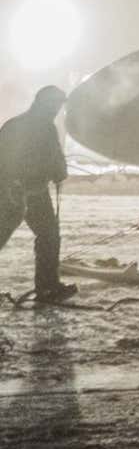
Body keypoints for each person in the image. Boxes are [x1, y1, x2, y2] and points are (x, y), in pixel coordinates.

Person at [0, 86, 76, 302]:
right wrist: (59, 172)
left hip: (23, 190)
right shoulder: (44, 128)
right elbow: (54, 160)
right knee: (48, 236)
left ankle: (48, 286)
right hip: (17, 191)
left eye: (59, 104)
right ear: (44, 103)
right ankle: (48, 287)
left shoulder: (15, 124)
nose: (57, 108)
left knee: (48, 235)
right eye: (55, 103)